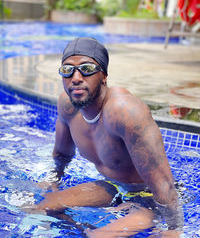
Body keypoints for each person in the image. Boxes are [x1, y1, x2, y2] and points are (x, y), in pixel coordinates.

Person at [36, 37, 183, 237]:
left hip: (148, 199)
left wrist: (174, 229)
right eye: (67, 70)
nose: (76, 77)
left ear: (103, 75)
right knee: (42, 207)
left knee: (98, 236)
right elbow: (61, 154)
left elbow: (164, 185)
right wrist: (54, 179)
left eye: (86, 69)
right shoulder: (67, 106)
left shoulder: (125, 112)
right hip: (112, 187)